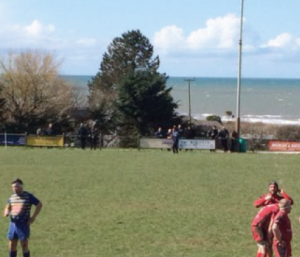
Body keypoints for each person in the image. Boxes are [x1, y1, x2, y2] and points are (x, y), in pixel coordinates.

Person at [3, 178, 43, 257]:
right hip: (13, 224)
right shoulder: (12, 197)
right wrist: (6, 211)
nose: (14, 188)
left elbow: (39, 204)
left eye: (16, 186)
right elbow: (8, 206)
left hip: (23, 224)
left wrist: (33, 217)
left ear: (21, 187)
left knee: (24, 244)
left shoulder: (28, 196)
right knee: (12, 244)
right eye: (13, 187)